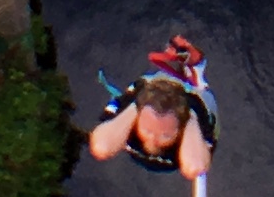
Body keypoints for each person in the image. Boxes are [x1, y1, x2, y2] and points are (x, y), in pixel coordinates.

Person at [87, 34, 216, 181]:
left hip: (192, 97)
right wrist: (137, 105)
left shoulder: (197, 118)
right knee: (149, 86)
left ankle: (194, 70)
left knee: (199, 89)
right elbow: (101, 147)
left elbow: (195, 167)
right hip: (149, 87)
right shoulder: (133, 106)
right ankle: (178, 64)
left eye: (166, 135)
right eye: (147, 130)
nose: (153, 140)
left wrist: (191, 117)